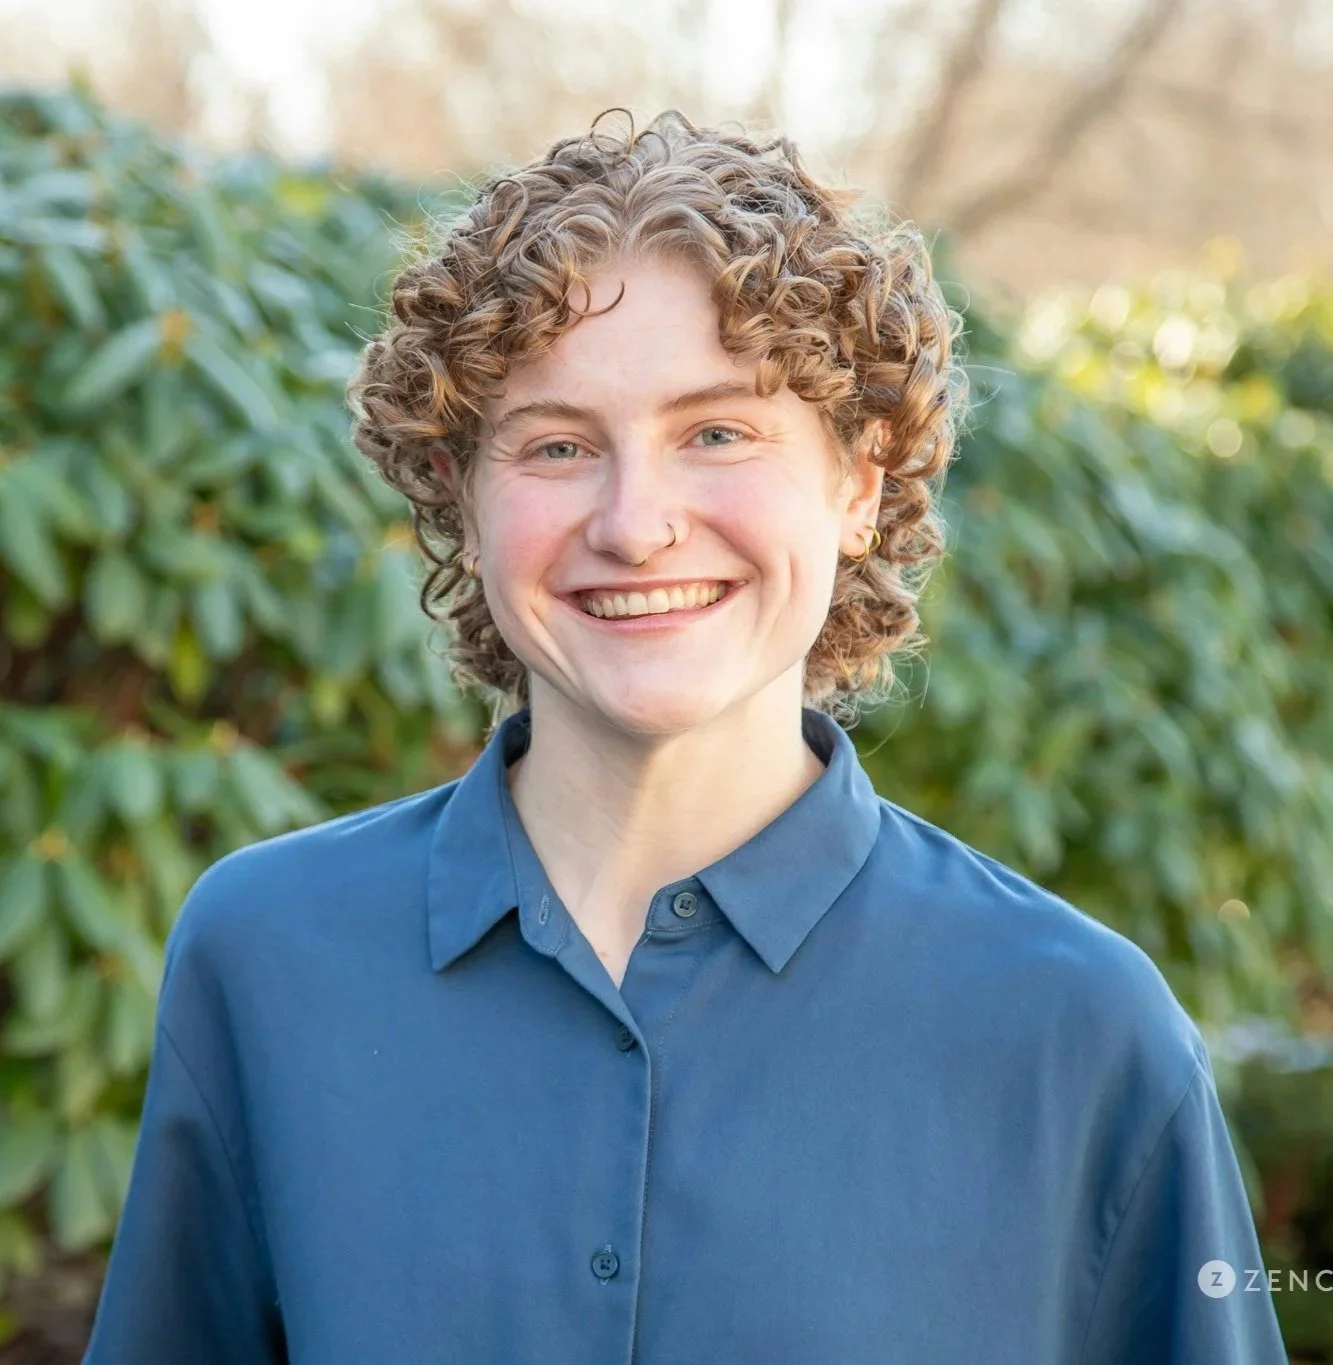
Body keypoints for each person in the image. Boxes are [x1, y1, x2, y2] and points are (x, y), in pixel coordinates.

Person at [83, 110, 1286, 1364]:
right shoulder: (268, 959)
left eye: (718, 431)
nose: (635, 522)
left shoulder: (1079, 1033)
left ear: (859, 487)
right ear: (462, 499)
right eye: (557, 446)